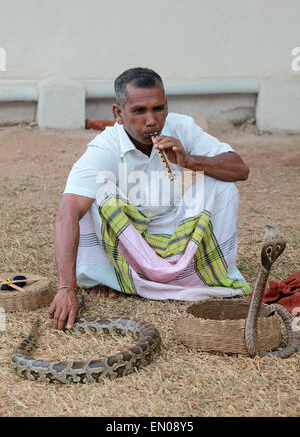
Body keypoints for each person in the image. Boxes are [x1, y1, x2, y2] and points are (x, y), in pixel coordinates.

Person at [49, 67, 250, 330]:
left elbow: (240, 169)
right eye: (139, 111)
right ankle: (108, 276)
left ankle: (196, 274)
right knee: (94, 193)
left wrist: (190, 161)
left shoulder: (182, 127)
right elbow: (67, 214)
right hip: (129, 237)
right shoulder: (104, 148)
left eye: (158, 108)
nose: (152, 121)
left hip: (175, 228)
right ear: (119, 114)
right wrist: (66, 287)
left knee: (221, 185)